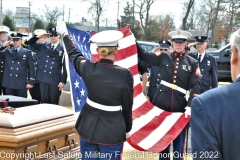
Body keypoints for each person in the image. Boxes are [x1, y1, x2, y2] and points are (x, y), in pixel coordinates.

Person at [56, 21, 134, 160]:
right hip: (112, 131)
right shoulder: (125, 75)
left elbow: (73, 53)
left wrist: (64, 35)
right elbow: (127, 105)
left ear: (98, 51)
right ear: (116, 51)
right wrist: (127, 128)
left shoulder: (88, 67)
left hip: (88, 128)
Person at [137, 30, 201, 160]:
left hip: (180, 108)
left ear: (185, 44)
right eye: (176, 42)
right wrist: (133, 40)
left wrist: (190, 105)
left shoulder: (192, 62)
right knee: (163, 146)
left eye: (181, 42)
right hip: (162, 106)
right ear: (172, 43)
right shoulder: (164, 57)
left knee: (179, 147)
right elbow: (144, 56)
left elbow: (196, 86)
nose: (178, 45)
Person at [190, 29, 240, 160]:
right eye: (197, 43)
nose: (199, 45)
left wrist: (216, 99)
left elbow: (214, 78)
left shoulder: (210, 59)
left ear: (233, 54)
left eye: (202, 43)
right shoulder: (191, 57)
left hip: (208, 96)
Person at [23, 28, 67, 104]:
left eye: (55, 35)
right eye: (51, 35)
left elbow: (66, 67)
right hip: (43, 79)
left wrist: (63, 81)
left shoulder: (63, 49)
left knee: (54, 103)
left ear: (59, 36)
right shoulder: (43, 46)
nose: (53, 37)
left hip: (55, 79)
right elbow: (30, 42)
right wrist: (38, 36)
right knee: (44, 103)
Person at [0, 33, 35, 98]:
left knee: (21, 105)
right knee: (9, 106)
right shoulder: (7, 51)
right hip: (9, 83)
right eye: (14, 40)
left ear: (21, 41)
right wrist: (3, 46)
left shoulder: (27, 52)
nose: (15, 42)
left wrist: (31, 81)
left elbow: (31, 68)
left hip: (21, 83)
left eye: (17, 40)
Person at [22, 29, 47, 103]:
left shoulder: (47, 46)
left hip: (43, 77)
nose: (39, 38)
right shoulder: (29, 46)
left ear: (45, 37)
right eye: (37, 37)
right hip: (33, 78)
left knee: (43, 99)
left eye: (41, 37)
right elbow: (24, 44)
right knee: (34, 98)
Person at [0, 26, 10, 95]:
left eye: (4, 33)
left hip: (8, 75)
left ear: (8, 35)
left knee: (8, 97)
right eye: (0, 34)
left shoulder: (12, 46)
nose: (2, 35)